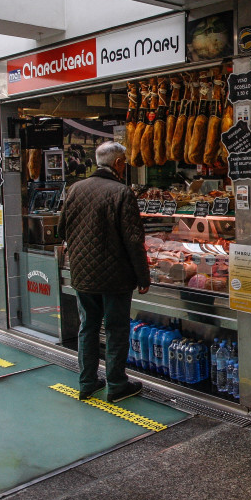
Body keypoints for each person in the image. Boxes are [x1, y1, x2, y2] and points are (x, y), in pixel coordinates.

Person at [59, 141, 150, 402]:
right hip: (116, 277)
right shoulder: (121, 193)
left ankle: (87, 383)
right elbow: (134, 240)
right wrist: (143, 277)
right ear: (119, 164)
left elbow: (61, 230)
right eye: (125, 162)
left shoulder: (75, 189)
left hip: (82, 274)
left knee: (87, 327)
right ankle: (117, 385)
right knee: (116, 329)